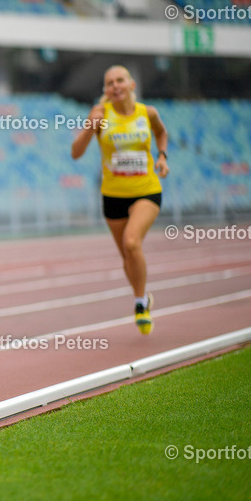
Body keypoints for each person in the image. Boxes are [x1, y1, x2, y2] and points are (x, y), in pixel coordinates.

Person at [71, 65, 169, 334]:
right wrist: (91, 126)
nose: (115, 86)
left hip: (146, 189)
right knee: (126, 255)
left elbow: (161, 133)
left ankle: (139, 304)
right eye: (109, 83)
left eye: (119, 80)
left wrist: (162, 156)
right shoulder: (101, 116)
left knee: (131, 242)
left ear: (131, 84)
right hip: (113, 195)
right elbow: (76, 152)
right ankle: (143, 297)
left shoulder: (147, 113)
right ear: (106, 90)